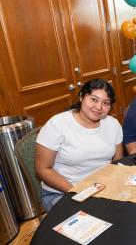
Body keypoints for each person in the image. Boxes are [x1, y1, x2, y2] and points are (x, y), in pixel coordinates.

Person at [35, 79, 123, 211]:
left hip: (102, 188)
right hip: (63, 192)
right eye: (94, 99)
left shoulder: (113, 124)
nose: (99, 107)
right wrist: (78, 192)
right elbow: (43, 169)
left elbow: (117, 162)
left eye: (105, 103)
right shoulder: (57, 124)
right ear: (81, 97)